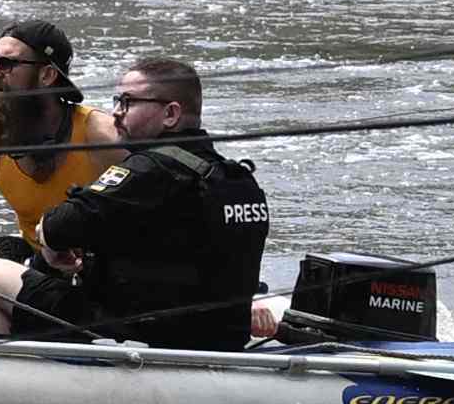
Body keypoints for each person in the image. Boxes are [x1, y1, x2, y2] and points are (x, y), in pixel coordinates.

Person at [23, 51, 281, 351]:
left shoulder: (151, 170)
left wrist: (52, 244)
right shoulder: (238, 180)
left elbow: (57, 226)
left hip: (141, 336)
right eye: (117, 101)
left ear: (170, 114)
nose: (116, 112)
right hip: (222, 340)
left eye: (128, 102)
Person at [0, 19, 128, 259]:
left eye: (7, 64)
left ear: (47, 75)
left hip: (101, 262)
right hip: (33, 259)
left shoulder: (101, 134)